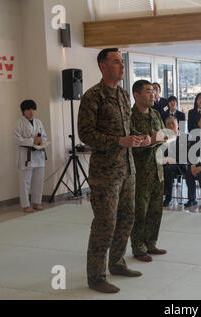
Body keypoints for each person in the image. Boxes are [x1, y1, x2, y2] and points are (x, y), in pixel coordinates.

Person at [78, 48, 149, 294]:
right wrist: (118, 142)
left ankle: (117, 263)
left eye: (122, 62)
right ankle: (96, 276)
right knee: (105, 222)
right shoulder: (93, 96)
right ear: (102, 66)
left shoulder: (121, 94)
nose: (121, 66)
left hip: (127, 169)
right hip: (105, 173)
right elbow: (86, 134)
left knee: (127, 217)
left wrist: (140, 138)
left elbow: (125, 131)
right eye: (116, 62)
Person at [130, 79, 168, 263]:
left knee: (155, 209)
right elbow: (138, 142)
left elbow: (161, 135)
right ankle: (138, 247)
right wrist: (152, 139)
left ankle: (151, 243)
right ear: (136, 95)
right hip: (140, 171)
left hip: (157, 168)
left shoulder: (155, 113)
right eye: (147, 91)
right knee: (140, 211)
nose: (153, 94)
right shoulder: (130, 116)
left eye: (153, 91)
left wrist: (155, 139)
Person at [13, 99, 48, 213]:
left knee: (38, 180)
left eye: (33, 109)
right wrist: (32, 140)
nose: (31, 112)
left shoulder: (39, 122)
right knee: (25, 182)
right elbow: (17, 139)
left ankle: (37, 202)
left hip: (38, 155)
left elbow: (44, 136)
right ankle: (25, 205)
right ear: (23, 111)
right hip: (25, 157)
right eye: (28, 109)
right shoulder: (19, 123)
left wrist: (41, 141)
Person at [162, 116, 188, 207]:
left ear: (177, 125)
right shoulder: (164, 139)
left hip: (180, 165)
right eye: (168, 124)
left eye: (172, 123)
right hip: (167, 164)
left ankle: (168, 197)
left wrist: (172, 160)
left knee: (167, 169)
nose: (170, 126)